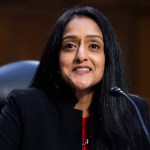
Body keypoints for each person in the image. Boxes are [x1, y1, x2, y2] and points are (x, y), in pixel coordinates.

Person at [0, 5, 149, 150]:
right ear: (56, 57)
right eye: (70, 46)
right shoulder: (24, 107)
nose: (81, 56)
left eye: (94, 46)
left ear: (108, 58)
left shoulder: (134, 113)